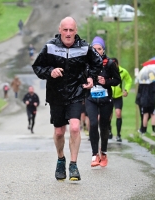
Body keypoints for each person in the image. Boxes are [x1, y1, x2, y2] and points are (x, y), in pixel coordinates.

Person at [32, 16, 103, 181]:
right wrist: (50, 71)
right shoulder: (50, 47)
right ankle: (61, 159)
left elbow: (98, 63)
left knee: (75, 127)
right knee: (59, 132)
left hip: (76, 93)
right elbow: (37, 67)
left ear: (76, 31)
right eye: (65, 30)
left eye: (71, 30)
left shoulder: (84, 47)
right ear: (60, 30)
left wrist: (91, 77)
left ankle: (73, 164)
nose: (68, 33)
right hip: (56, 94)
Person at [86, 36, 121, 167]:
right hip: (91, 99)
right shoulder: (87, 64)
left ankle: (104, 152)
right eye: (94, 49)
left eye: (99, 49)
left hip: (106, 99)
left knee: (104, 126)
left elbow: (117, 81)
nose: (96, 51)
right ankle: (95, 155)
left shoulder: (110, 64)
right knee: (93, 123)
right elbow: (81, 78)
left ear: (103, 50)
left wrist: (106, 82)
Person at [110, 58, 132, 142]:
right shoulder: (108, 70)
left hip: (118, 96)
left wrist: (126, 90)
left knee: (118, 113)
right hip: (109, 95)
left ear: (117, 65)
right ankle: (109, 132)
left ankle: (118, 134)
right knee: (108, 115)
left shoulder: (123, 71)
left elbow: (129, 80)